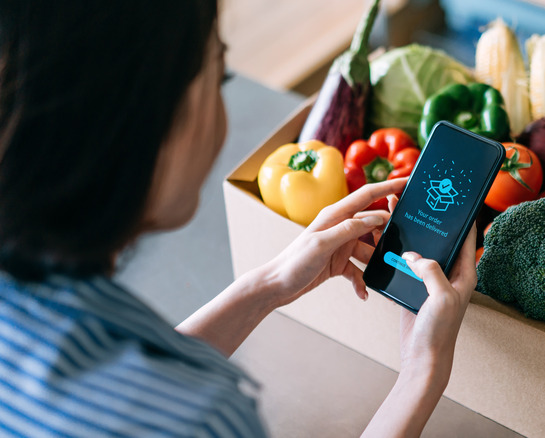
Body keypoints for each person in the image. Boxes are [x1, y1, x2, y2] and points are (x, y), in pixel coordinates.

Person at [0, 1, 477, 436]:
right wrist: (422, 371)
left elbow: (114, 386)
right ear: (148, 120)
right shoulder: (205, 419)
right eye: (220, 75)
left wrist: (268, 283)